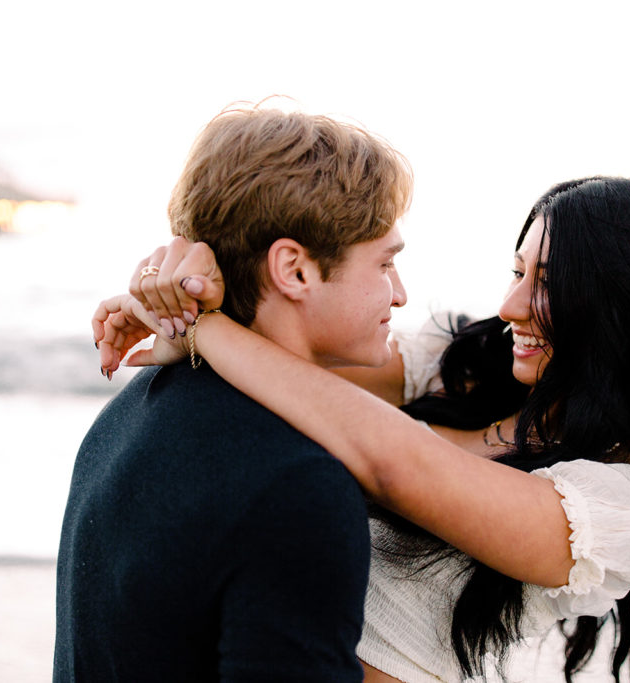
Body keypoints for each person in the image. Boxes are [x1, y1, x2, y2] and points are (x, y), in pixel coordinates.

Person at [96, 177, 630, 682]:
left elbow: (394, 461)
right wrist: (188, 286)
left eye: (548, 284)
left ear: (626, 309)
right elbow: (299, 351)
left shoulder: (625, 508)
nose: (509, 306)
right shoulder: (465, 370)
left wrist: (206, 330)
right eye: (517, 271)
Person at [54, 103, 413, 681]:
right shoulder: (297, 485)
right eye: (385, 264)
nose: (400, 294)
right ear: (294, 270)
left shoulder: (131, 410)